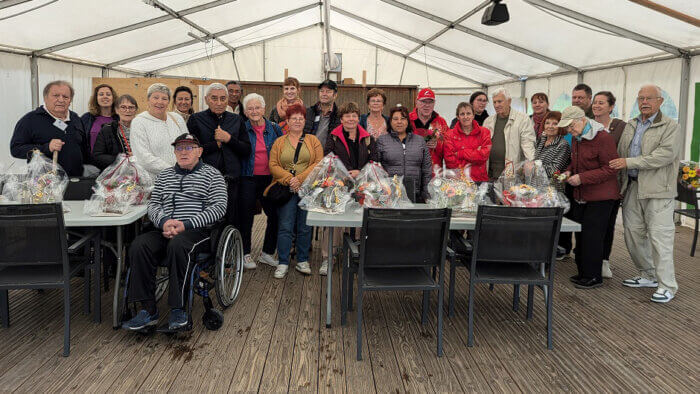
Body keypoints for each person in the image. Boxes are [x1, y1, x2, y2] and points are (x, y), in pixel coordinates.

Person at [121, 133, 227, 331]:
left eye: (189, 148)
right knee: (138, 245)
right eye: (179, 148)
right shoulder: (165, 175)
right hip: (165, 228)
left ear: (200, 151)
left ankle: (178, 308)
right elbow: (154, 204)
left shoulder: (213, 175)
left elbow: (219, 207)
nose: (183, 152)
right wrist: (164, 222)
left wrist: (185, 224)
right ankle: (147, 309)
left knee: (179, 245)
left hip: (196, 230)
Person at [610, 84, 682, 303]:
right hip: (632, 187)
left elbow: (664, 156)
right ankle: (647, 274)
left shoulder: (671, 126)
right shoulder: (631, 124)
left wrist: (629, 162)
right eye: (641, 98)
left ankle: (667, 285)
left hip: (658, 191)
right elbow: (620, 153)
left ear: (660, 101)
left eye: (649, 98)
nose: (644, 102)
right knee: (632, 235)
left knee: (661, 238)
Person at [558, 106, 619, 290]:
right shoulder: (578, 139)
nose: (569, 130)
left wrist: (582, 178)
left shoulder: (603, 138)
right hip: (582, 195)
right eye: (567, 127)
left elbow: (610, 168)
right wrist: (569, 170)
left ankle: (594, 276)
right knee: (582, 234)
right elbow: (575, 161)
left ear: (582, 120)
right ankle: (584, 272)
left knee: (593, 236)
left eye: (571, 126)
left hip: (602, 197)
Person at [266, 103, 323, 279]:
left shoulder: (312, 140)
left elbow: (318, 163)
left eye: (300, 118)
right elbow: (273, 164)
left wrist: (300, 179)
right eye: (293, 118)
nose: (297, 121)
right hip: (285, 188)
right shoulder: (279, 142)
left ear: (305, 121)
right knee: (285, 225)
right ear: (287, 121)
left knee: (305, 226)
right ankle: (283, 261)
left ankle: (302, 260)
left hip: (306, 188)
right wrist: (289, 179)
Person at [187, 83, 251, 230]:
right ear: (206, 99)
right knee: (207, 220)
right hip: (205, 181)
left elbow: (247, 149)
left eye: (223, 99)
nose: (219, 103)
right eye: (214, 98)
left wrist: (229, 139)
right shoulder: (196, 119)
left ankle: (229, 251)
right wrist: (216, 144)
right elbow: (191, 151)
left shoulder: (236, 120)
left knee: (231, 219)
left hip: (232, 180)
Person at [239, 93, 283, 270]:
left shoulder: (274, 128)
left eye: (257, 107)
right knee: (246, 217)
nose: (254, 111)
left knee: (274, 215)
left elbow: (282, 149)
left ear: (264, 109)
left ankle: (267, 252)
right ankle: (245, 253)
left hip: (270, 179)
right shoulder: (241, 128)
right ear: (245, 111)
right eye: (250, 108)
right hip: (248, 178)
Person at [11, 80, 88, 177]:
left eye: (65, 97)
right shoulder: (30, 120)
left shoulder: (75, 118)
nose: (61, 100)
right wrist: (46, 148)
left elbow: (83, 147)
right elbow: (16, 149)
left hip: (75, 179)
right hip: (44, 183)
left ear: (70, 100)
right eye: (56, 95)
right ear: (45, 98)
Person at [593, 91, 627, 278]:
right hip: (591, 183)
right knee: (592, 226)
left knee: (608, 225)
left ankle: (604, 260)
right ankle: (589, 259)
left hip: (611, 182)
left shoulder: (620, 127)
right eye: (595, 103)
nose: (597, 106)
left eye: (601, 103)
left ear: (611, 106)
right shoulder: (588, 124)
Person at [131, 83, 188, 180]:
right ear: (148, 100)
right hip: (156, 183)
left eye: (164, 99)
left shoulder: (177, 119)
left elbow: (188, 145)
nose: (160, 102)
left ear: (169, 102)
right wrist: (174, 171)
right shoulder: (139, 122)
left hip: (184, 177)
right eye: (155, 97)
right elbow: (143, 157)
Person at [377, 105, 432, 202]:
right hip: (390, 195)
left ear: (408, 121)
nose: (399, 122)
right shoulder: (382, 141)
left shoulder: (420, 141)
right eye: (395, 119)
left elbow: (426, 169)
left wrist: (426, 193)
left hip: (416, 194)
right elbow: (377, 169)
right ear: (390, 122)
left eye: (403, 118)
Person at [483, 88, 536, 180]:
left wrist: (530, 161)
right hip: (490, 173)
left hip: (512, 174)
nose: (496, 105)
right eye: (494, 102)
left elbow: (527, 143)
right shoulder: (488, 121)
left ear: (509, 101)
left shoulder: (522, 119)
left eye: (499, 101)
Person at [443, 102, 492, 182]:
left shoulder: (484, 132)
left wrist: (460, 153)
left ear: (473, 115)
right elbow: (450, 162)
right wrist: (476, 154)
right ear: (457, 117)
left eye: (468, 113)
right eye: (462, 114)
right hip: (458, 182)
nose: (465, 117)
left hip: (479, 180)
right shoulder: (449, 135)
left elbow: (484, 156)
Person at [92, 94, 138, 170]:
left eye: (131, 107)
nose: (127, 110)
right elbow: (97, 157)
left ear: (136, 110)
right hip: (115, 176)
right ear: (116, 110)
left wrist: (139, 157)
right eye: (123, 107)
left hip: (140, 174)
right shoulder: (107, 130)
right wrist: (121, 159)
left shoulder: (143, 130)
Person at [409, 88, 449, 166]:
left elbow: (449, 145)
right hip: (412, 169)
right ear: (416, 102)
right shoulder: (407, 120)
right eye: (423, 101)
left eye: (430, 102)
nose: (427, 105)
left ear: (434, 103)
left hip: (435, 171)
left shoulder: (441, 122)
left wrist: (437, 144)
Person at [534, 111, 570, 188]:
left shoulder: (563, 144)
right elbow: (535, 159)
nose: (550, 126)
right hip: (536, 185)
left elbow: (554, 170)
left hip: (552, 189)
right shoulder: (541, 139)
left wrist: (533, 168)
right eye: (547, 123)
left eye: (555, 124)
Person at [81, 83, 119, 154]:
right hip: (91, 163)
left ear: (113, 98)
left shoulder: (119, 118)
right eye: (101, 94)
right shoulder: (87, 118)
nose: (105, 97)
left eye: (108, 94)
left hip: (114, 162)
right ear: (96, 98)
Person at [304, 79, 340, 147]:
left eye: (328, 91)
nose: (324, 94)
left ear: (335, 95)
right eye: (321, 91)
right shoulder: (309, 112)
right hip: (309, 154)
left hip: (328, 155)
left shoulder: (339, 115)